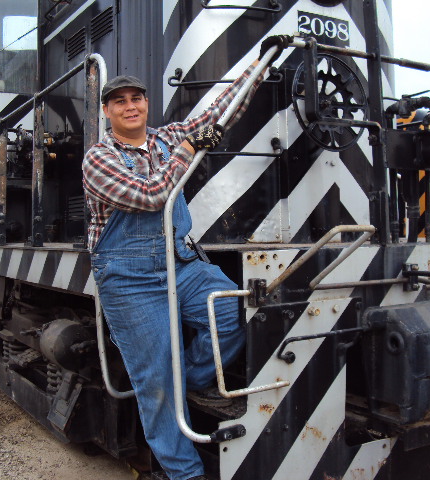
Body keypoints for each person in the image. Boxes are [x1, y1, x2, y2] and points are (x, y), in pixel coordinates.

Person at [82, 36, 292, 480]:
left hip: (181, 265)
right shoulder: (98, 159)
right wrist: (191, 149)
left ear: (146, 103)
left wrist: (260, 61)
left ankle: (192, 379)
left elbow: (219, 112)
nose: (130, 106)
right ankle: (185, 473)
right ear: (107, 111)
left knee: (235, 311)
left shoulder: (166, 137)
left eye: (136, 98)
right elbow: (150, 195)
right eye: (119, 101)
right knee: (157, 383)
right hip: (130, 278)